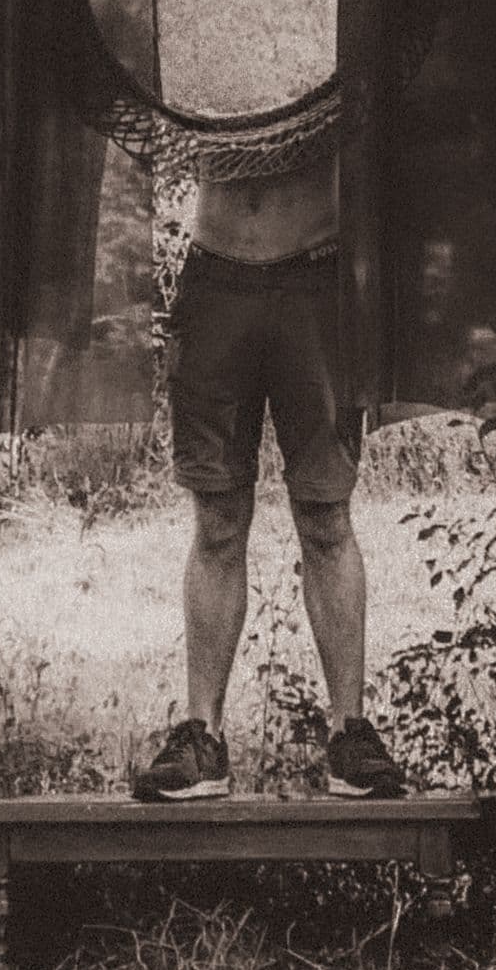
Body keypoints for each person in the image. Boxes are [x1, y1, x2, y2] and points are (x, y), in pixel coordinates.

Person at [131, 138, 411, 801]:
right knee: (218, 521)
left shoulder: (336, 63)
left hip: (318, 276)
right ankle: (203, 739)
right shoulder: (201, 67)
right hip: (214, 277)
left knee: (326, 518)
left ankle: (349, 736)